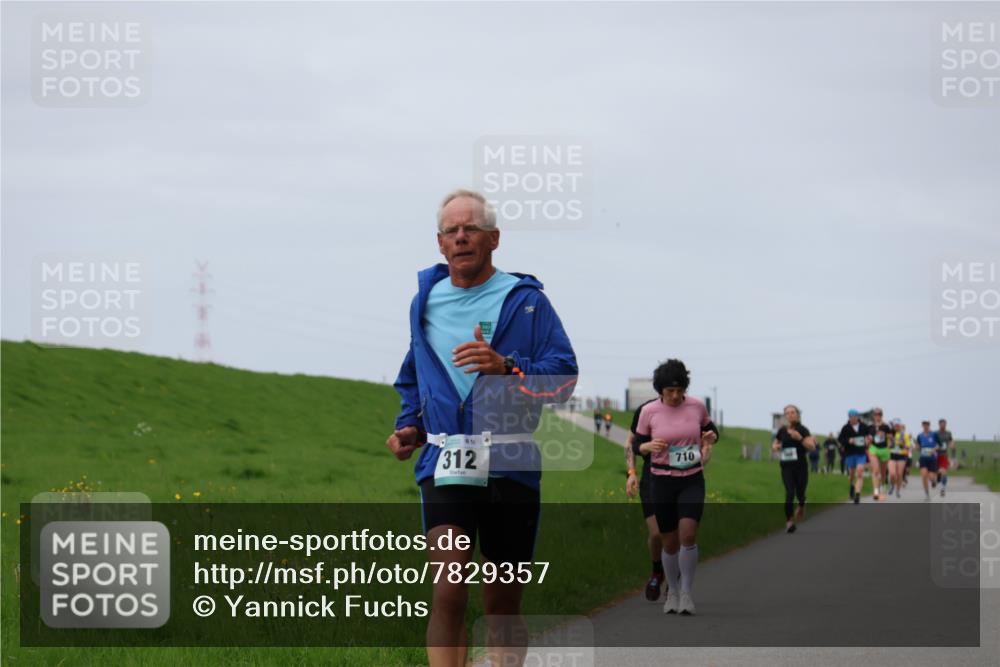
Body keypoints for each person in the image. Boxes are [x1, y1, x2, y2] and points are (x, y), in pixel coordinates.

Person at [386, 189, 578, 667]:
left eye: (470, 228)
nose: (460, 237)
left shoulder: (527, 302)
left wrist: (507, 367)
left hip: (510, 463)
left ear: (493, 238)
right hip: (446, 462)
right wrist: (410, 427)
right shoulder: (423, 303)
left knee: (502, 603)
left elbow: (563, 378)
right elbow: (414, 376)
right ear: (440, 243)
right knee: (449, 588)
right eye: (451, 230)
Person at [634, 359, 718, 616]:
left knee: (688, 535)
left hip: (691, 479)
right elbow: (637, 444)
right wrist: (647, 447)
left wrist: (710, 438)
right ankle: (671, 590)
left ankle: (686, 592)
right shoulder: (649, 411)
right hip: (661, 481)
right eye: (670, 391)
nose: (675, 395)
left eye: (679, 390)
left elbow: (711, 430)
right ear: (660, 390)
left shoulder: (696, 406)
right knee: (669, 542)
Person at [625, 398, 665, 602]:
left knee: (675, 533)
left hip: (679, 479)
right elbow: (630, 444)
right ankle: (657, 571)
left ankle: (675, 579)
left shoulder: (688, 410)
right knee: (656, 533)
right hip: (651, 478)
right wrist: (631, 473)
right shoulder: (645, 410)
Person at [772, 404, 817, 532]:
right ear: (785, 416)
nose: (790, 415)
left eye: (793, 412)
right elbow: (775, 443)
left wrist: (800, 438)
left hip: (801, 467)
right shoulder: (782, 431)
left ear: (797, 415)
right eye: (787, 413)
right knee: (790, 493)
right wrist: (775, 446)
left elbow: (812, 447)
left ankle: (802, 504)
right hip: (786, 467)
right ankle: (789, 522)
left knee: (800, 493)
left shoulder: (803, 429)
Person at [838, 409, 872, 504]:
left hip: (861, 453)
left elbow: (869, 436)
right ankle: (852, 486)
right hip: (850, 454)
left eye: (854, 417)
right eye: (851, 417)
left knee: (860, 472)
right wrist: (848, 441)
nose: (852, 418)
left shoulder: (863, 426)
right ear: (849, 417)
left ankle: (857, 494)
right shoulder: (845, 428)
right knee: (851, 475)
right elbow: (840, 439)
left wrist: (868, 439)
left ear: (857, 417)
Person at [868, 407, 893, 501]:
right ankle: (875, 491)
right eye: (876, 415)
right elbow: (867, 438)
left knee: (883, 473)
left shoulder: (886, 426)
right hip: (874, 449)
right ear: (873, 416)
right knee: (875, 470)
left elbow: (891, 437)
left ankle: (882, 488)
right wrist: (868, 440)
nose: (877, 416)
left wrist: (885, 435)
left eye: (879, 415)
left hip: (884, 450)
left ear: (881, 416)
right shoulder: (870, 427)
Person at [915, 420, 941, 501]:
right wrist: (917, 447)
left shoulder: (934, 434)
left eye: (927, 425)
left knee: (931, 476)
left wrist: (934, 449)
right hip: (923, 458)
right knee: (924, 476)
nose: (925, 427)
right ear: (922, 426)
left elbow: (940, 445)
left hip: (932, 458)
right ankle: (927, 494)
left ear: (929, 426)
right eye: (924, 425)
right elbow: (918, 446)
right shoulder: (920, 435)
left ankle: (933, 481)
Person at [888, 419, 911, 498]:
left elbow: (908, 446)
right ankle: (892, 486)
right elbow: (887, 445)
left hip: (901, 456)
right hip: (892, 455)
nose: (897, 427)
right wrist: (891, 442)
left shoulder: (905, 435)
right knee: (892, 474)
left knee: (899, 474)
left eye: (898, 425)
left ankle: (898, 490)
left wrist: (902, 444)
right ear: (894, 426)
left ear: (900, 426)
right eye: (895, 425)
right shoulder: (890, 434)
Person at [937, 418, 954, 497]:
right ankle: (938, 477)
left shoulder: (948, 433)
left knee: (944, 472)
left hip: (944, 455)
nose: (943, 426)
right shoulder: (935, 433)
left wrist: (952, 445)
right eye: (941, 424)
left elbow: (951, 440)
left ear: (946, 425)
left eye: (944, 424)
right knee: (938, 472)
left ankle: (943, 488)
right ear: (939, 425)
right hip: (936, 455)